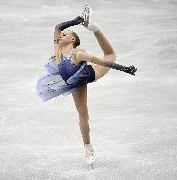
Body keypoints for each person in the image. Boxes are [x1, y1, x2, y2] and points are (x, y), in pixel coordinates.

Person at [36, 5, 137, 166]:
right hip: (71, 82)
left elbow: (102, 61)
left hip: (88, 77)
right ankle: (87, 145)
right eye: (60, 36)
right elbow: (58, 27)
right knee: (81, 115)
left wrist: (125, 69)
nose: (60, 36)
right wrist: (76, 21)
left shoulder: (79, 54)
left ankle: (95, 29)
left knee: (111, 55)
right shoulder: (58, 50)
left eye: (64, 35)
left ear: (73, 39)